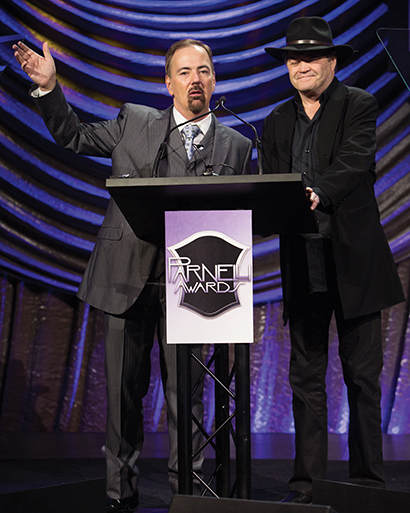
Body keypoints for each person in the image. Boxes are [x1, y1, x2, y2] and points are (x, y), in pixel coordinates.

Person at [14, 38, 252, 512]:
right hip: (126, 278)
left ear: (214, 79)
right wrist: (50, 88)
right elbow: (75, 137)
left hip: (194, 287)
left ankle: (189, 495)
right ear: (168, 83)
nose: (195, 80)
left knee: (187, 399)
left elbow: (239, 219)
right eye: (184, 72)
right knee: (124, 395)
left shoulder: (237, 144)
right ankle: (120, 497)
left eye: (203, 71)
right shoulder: (135, 122)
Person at [262, 17, 405, 505]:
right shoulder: (276, 120)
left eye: (311, 57)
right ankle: (307, 485)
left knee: (362, 376)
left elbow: (354, 162)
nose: (301, 66)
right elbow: (269, 183)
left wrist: (317, 193)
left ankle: (367, 483)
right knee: (305, 378)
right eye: (294, 59)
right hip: (303, 263)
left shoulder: (358, 104)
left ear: (332, 61)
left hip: (354, 263)